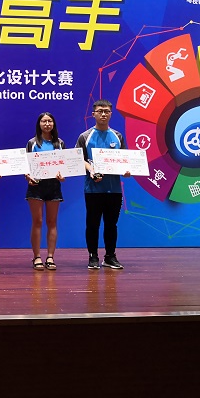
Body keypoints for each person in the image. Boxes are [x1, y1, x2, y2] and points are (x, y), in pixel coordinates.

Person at [76, 99, 131, 270]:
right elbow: (79, 158)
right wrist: (91, 170)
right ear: (93, 114)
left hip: (114, 189)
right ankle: (93, 256)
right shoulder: (85, 136)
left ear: (111, 114)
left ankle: (110, 256)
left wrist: (126, 170)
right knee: (93, 224)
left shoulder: (117, 136)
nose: (103, 114)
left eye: (106, 111)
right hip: (93, 189)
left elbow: (124, 159)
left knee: (111, 225)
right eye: (100, 111)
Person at [24, 112, 66, 271]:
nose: (47, 124)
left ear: (53, 124)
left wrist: (63, 176)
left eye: (50, 121)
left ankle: (50, 257)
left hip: (54, 186)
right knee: (38, 221)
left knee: (52, 222)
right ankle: (36, 257)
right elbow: (26, 165)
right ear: (39, 124)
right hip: (36, 186)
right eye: (44, 121)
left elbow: (65, 165)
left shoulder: (60, 143)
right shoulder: (32, 143)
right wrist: (28, 177)